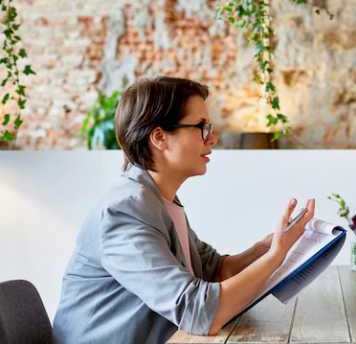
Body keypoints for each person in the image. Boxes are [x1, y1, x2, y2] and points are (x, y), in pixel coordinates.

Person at [53, 77, 315, 344]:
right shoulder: (125, 213)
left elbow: (215, 270)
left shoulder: (159, 199)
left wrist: (265, 247)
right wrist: (276, 256)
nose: (212, 137)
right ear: (159, 137)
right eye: (202, 127)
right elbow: (199, 312)